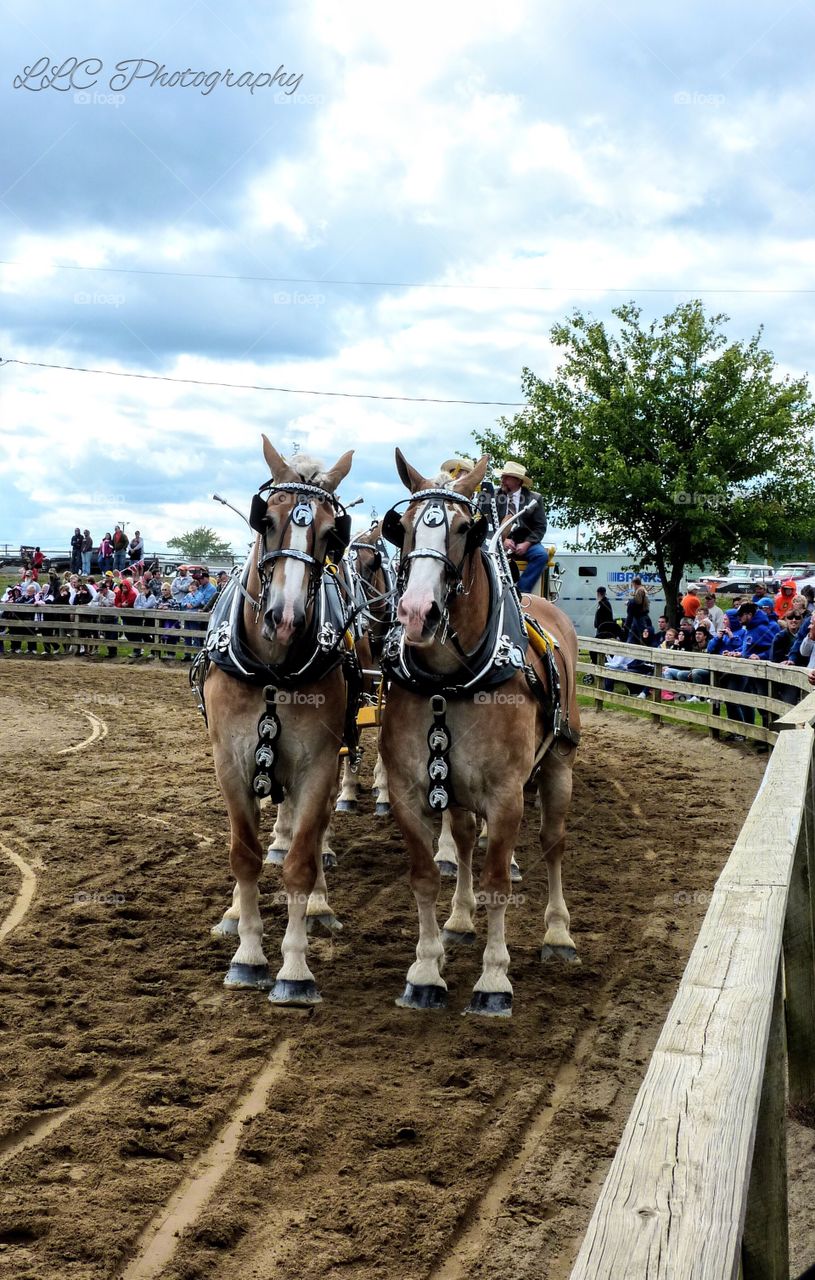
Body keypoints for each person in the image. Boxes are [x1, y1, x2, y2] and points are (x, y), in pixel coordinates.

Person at [480, 461, 548, 594]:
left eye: (507, 477)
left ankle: (520, 593)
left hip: (524, 541)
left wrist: (527, 544)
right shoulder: (491, 496)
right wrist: (502, 540)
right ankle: (491, 591)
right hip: (496, 542)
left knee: (541, 555)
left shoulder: (535, 498)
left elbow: (540, 526)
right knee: (481, 555)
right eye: (502, 477)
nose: (502, 480)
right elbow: (484, 523)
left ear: (518, 481)